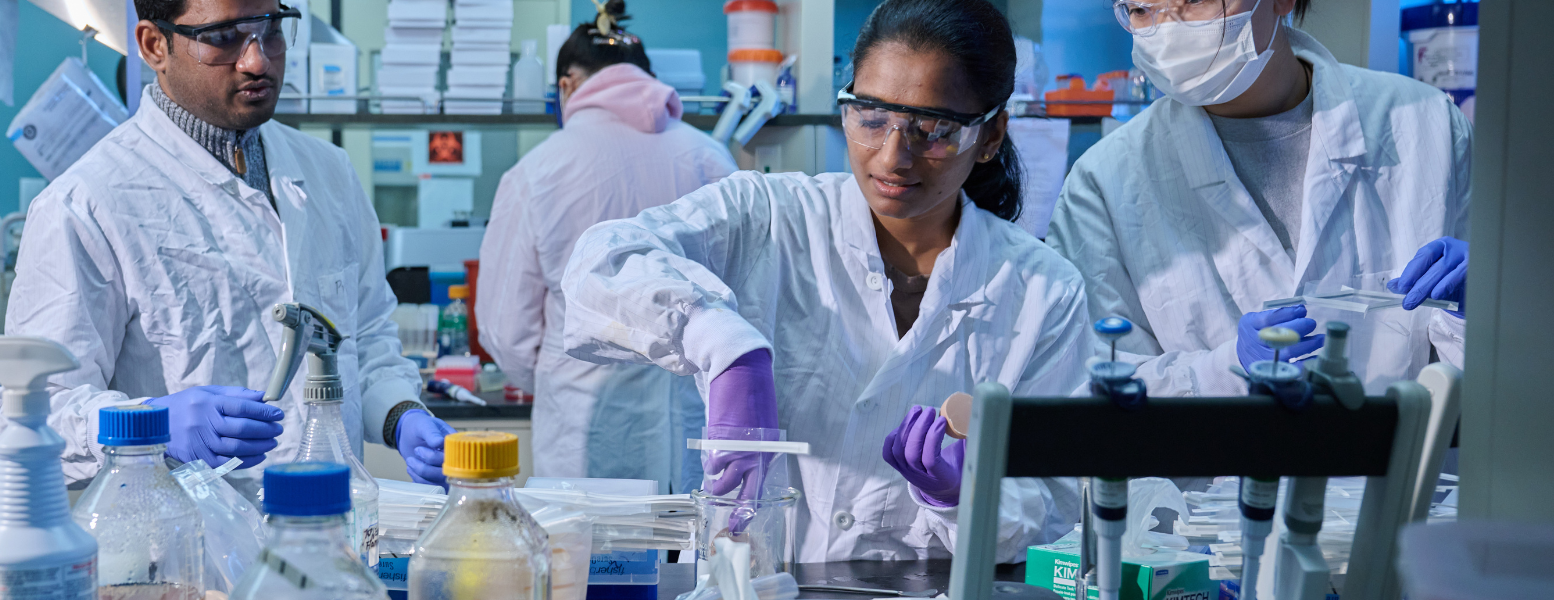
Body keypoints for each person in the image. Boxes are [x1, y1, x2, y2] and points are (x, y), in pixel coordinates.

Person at [560, 0, 1082, 562]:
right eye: (871, 116)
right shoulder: (768, 213)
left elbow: (1056, 504)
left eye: (933, 128)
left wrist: (964, 496)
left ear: (991, 134)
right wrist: (724, 343)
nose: (893, 155)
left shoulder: (1042, 290)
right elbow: (603, 260)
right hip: (750, 583)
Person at [5, 0, 456, 490]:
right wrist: (152, 424)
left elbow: (364, 339)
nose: (257, 60)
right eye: (223, 36)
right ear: (155, 45)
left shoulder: (330, 174)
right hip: (179, 552)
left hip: (331, 533)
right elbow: (34, 415)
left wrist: (402, 415)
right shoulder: (86, 203)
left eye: (271, 29)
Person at [1049, 0, 1470, 397]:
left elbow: (1510, 375)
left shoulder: (1428, 125)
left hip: (1405, 471)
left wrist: (1486, 308)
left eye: (1196, 0)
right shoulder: (1103, 182)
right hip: (1211, 472)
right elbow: (1092, 387)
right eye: (1141, 9)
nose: (1169, 30)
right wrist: (1222, 371)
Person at [475, 0, 737, 495]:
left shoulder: (537, 171)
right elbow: (745, 300)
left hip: (581, 431)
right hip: (690, 426)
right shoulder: (710, 159)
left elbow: (505, 331)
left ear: (567, 86)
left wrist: (562, 372)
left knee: (585, 565)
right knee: (688, 561)